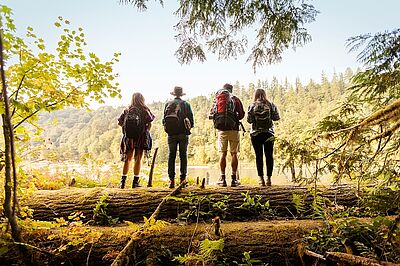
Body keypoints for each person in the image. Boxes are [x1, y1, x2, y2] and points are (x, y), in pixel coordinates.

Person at [210, 83, 245, 187]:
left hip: (221, 130)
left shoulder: (217, 99)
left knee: (223, 154)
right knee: (234, 153)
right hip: (234, 129)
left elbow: (212, 113)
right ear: (231, 90)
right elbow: (242, 115)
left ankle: (222, 178)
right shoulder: (235, 99)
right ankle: (234, 179)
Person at [118, 92, 155, 189]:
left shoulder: (127, 110)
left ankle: (122, 183)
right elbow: (150, 121)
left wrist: (127, 131)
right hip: (140, 137)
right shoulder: (144, 110)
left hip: (129, 138)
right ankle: (135, 183)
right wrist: (146, 131)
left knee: (127, 159)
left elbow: (120, 122)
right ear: (142, 99)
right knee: (138, 159)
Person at [247, 89, 280, 186]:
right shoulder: (271, 105)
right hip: (269, 133)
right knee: (269, 156)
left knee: (259, 156)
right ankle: (269, 179)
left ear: (255, 95)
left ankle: (261, 180)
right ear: (265, 95)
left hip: (255, 134)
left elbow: (249, 120)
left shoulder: (252, 105)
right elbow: (276, 118)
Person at [163, 86, 194, 189]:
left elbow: (164, 120)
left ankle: (171, 181)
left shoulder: (168, 104)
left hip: (171, 134)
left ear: (173, 94)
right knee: (183, 155)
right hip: (183, 134)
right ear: (181, 94)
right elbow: (191, 121)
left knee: (171, 155)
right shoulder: (186, 104)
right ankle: (182, 180)